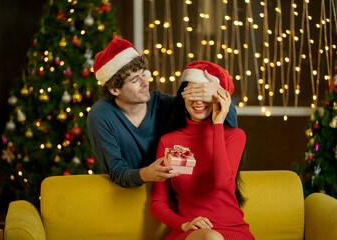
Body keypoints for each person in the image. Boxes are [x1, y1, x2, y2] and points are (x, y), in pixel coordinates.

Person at [87, 38, 238, 187]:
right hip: (127, 196)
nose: (145, 82)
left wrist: (217, 95)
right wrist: (146, 174)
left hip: (170, 195)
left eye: (143, 74)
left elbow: (228, 131)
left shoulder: (163, 104)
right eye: (134, 80)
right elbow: (116, 171)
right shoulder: (101, 115)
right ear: (114, 90)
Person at [150, 61, 254, 240]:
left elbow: (221, 183)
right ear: (183, 97)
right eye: (193, 93)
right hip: (194, 233)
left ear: (216, 97)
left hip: (235, 231)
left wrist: (218, 123)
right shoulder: (169, 141)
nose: (198, 101)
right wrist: (182, 224)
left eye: (204, 93)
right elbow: (157, 203)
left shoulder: (234, 136)